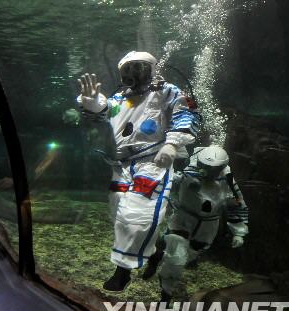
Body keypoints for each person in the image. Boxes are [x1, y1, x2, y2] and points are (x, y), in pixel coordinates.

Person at [77, 51, 201, 292]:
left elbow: (186, 113)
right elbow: (102, 112)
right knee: (119, 211)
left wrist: (171, 144)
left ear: (152, 69)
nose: (132, 75)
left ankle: (122, 271)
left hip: (152, 162)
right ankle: (153, 252)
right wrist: (91, 101)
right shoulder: (120, 98)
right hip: (121, 165)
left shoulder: (168, 91)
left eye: (138, 68)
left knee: (137, 214)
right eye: (127, 70)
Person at [145, 146, 249, 303]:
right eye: (204, 167)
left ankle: (158, 253)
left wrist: (239, 231)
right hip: (183, 219)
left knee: (189, 255)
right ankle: (165, 296)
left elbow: (236, 204)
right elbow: (166, 181)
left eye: (212, 169)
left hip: (208, 227)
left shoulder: (227, 180)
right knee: (176, 258)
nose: (207, 171)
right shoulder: (189, 171)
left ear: (221, 168)